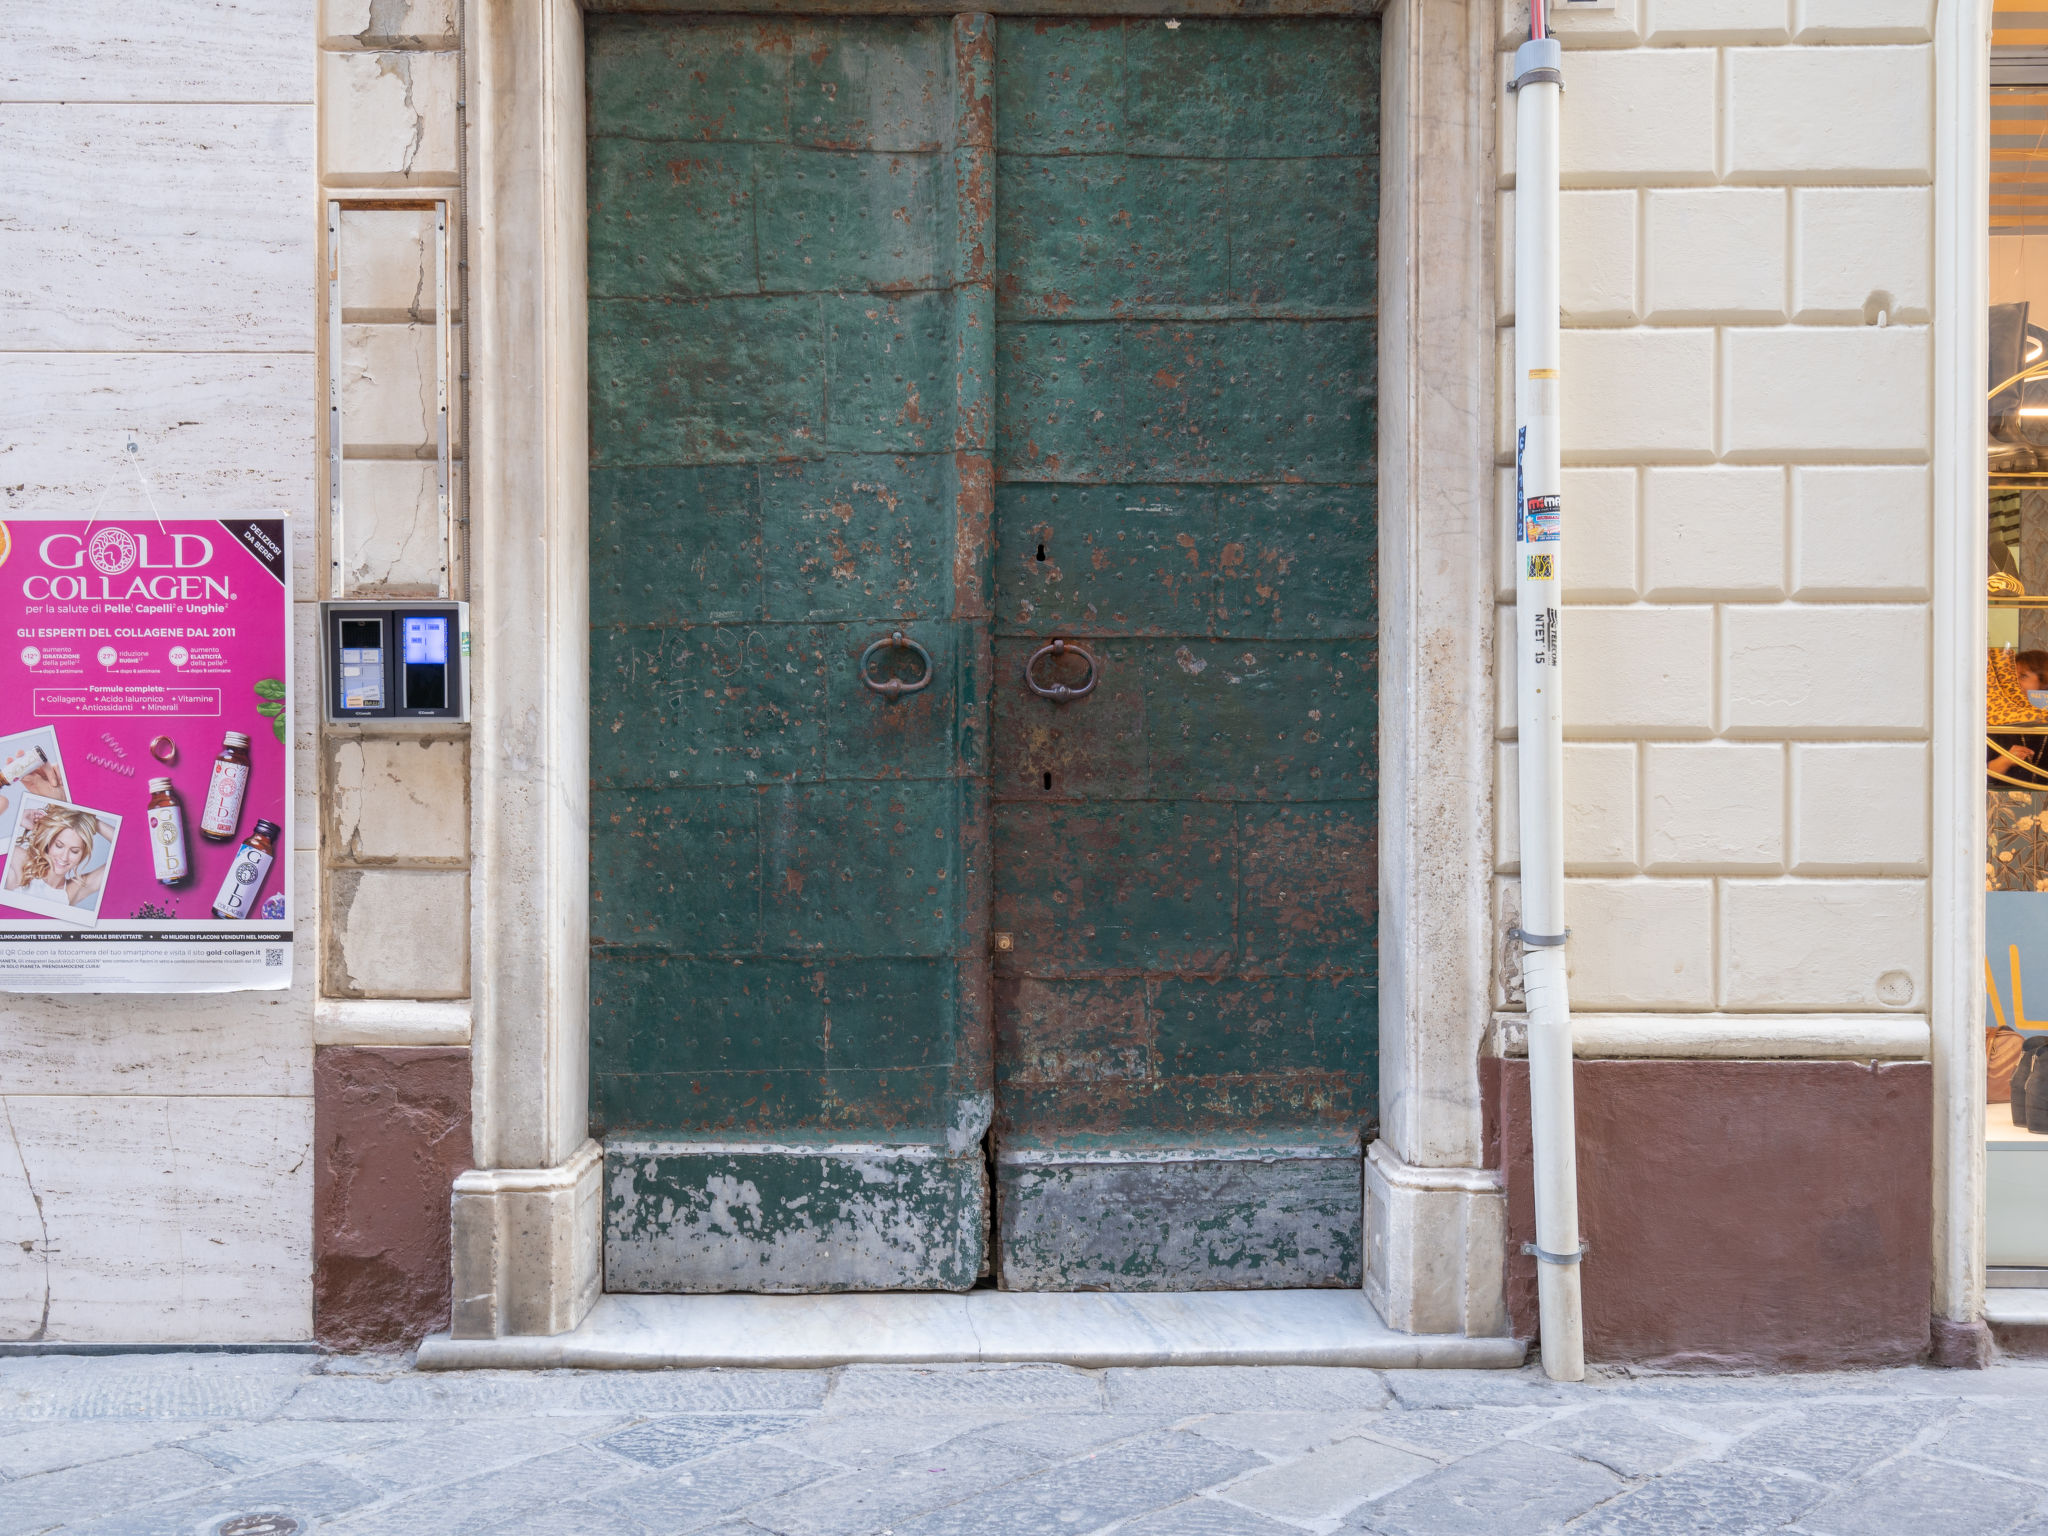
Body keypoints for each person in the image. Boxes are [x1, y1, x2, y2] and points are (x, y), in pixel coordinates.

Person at [4, 803, 107, 910]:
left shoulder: (74, 890)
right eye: (59, 846)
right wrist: (20, 818)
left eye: (74, 851)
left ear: (82, 854)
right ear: (49, 842)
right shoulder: (22, 861)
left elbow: (124, 853)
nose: (64, 857)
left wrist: (91, 821)